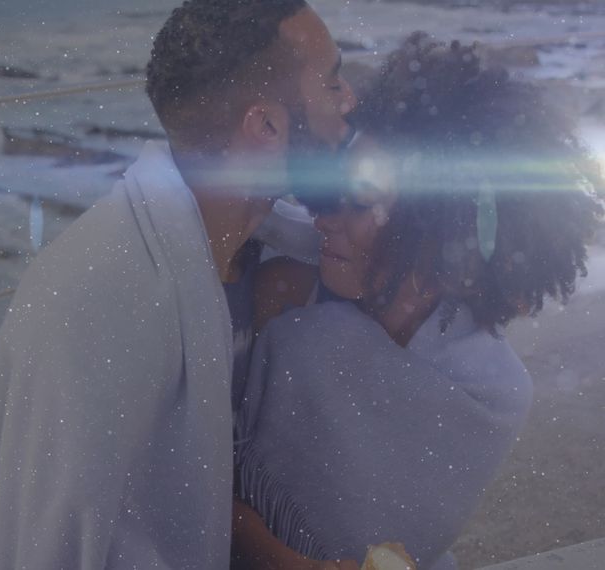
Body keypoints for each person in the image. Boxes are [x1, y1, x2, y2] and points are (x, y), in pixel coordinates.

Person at [0, 0, 356, 568]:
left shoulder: (255, 252)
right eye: (331, 82)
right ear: (265, 126)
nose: (349, 99)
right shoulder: (103, 293)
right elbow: (54, 543)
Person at [229, 34, 604, 570]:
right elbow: (201, 471)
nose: (322, 215)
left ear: (435, 230)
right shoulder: (285, 297)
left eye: (357, 203)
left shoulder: (491, 392)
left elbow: (404, 539)